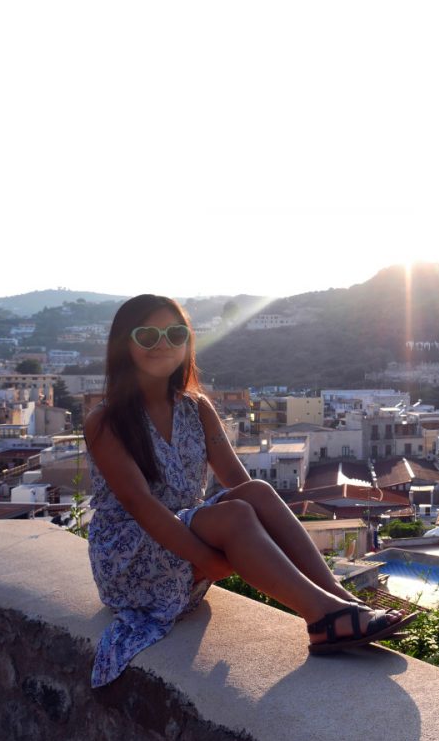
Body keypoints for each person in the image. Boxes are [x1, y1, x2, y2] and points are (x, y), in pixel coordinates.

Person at [85, 294, 414, 687]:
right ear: (125, 342)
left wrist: (220, 553)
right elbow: (141, 507)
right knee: (236, 512)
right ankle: (322, 617)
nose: (163, 344)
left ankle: (338, 598)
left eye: (174, 334)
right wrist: (210, 561)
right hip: (132, 557)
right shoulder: (107, 421)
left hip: (184, 545)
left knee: (255, 491)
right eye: (148, 335)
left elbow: (241, 485)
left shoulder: (195, 408)